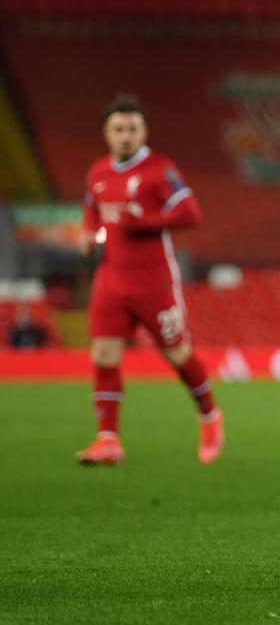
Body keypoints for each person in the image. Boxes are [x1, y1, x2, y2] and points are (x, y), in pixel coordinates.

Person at [77, 95, 224, 465]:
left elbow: (190, 212)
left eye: (133, 129)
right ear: (106, 134)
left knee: (176, 353)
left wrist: (144, 223)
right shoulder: (98, 172)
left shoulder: (160, 170)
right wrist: (88, 234)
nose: (126, 136)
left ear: (144, 132)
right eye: (118, 129)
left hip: (153, 281)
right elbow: (92, 211)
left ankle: (209, 414)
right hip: (110, 278)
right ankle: (108, 439)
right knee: (103, 354)